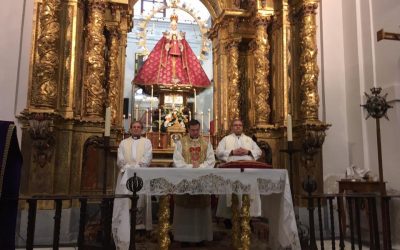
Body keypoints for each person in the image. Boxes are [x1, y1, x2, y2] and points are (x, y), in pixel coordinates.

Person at [132, 13, 210, 88]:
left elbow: (183, 46)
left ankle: (178, 78)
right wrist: (167, 46)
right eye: (172, 25)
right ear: (170, 25)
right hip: (168, 57)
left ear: (177, 25)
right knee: (165, 69)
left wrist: (181, 46)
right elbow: (162, 46)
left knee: (180, 69)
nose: (174, 26)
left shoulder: (180, 36)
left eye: (175, 25)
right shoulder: (167, 36)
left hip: (179, 57)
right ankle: (168, 79)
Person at [172, 119, 215, 246]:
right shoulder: (181, 142)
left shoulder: (206, 143)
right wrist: (191, 167)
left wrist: (200, 167)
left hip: (201, 180)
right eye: (192, 130)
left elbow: (211, 160)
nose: (195, 132)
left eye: (197, 130)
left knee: (200, 210)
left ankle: (201, 237)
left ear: (199, 129)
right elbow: (177, 161)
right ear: (188, 129)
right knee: (185, 211)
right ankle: (184, 237)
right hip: (185, 180)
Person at [112, 121, 153, 250]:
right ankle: (125, 227)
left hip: (141, 175)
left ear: (142, 129)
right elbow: (120, 159)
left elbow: (147, 157)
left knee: (140, 200)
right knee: (125, 201)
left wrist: (137, 167)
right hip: (125, 175)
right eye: (134, 127)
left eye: (138, 127)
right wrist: (128, 167)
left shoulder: (147, 142)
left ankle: (139, 228)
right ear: (130, 129)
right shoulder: (124, 143)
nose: (136, 129)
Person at [215, 118, 262, 224]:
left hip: (247, 171)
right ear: (232, 127)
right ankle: (229, 217)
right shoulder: (226, 139)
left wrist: (248, 151)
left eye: (240, 125)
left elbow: (259, 152)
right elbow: (218, 152)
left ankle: (247, 217)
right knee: (231, 193)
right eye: (235, 125)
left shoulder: (249, 140)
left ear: (242, 127)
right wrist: (232, 152)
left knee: (247, 193)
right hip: (231, 170)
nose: (238, 127)